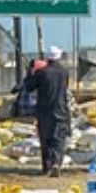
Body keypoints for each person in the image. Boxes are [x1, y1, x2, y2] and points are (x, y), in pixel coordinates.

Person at [23, 46, 70, 176]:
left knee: (46, 139)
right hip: (61, 109)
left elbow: (28, 87)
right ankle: (56, 163)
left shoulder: (42, 72)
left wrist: (30, 72)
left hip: (44, 111)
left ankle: (47, 166)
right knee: (58, 138)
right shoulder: (64, 72)